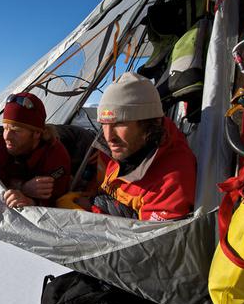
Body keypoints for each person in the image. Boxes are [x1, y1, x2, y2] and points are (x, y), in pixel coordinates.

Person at [73, 71, 196, 220]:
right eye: (104, 124)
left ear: (149, 124)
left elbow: (148, 240)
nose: (108, 137)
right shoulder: (117, 146)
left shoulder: (171, 183)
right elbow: (101, 182)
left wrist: (89, 209)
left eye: (119, 123)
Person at [0, 92, 71, 208]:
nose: (7, 137)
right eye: (5, 128)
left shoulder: (55, 154)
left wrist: (32, 203)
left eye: (16, 130)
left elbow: (58, 202)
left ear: (36, 133)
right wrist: (23, 188)